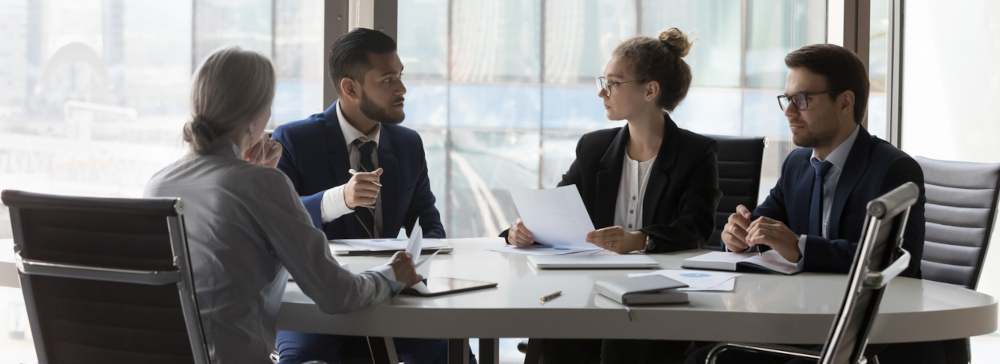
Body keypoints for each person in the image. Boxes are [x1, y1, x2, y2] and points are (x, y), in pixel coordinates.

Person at [144, 46, 422, 364]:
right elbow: (336, 295)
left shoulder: (158, 184)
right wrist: (392, 274)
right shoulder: (260, 185)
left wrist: (258, 175)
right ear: (257, 115)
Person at [685, 43, 941, 364]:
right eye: (787, 99)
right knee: (701, 358)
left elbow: (898, 259)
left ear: (845, 102)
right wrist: (740, 238)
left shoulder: (893, 169)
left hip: (872, 338)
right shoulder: (797, 163)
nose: (790, 111)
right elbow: (761, 229)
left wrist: (801, 247)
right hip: (804, 326)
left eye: (802, 100)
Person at [504, 28, 721, 364]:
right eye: (602, 81)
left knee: (627, 347)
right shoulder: (594, 147)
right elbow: (559, 208)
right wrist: (523, 229)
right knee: (558, 336)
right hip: (592, 286)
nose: (602, 93)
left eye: (613, 83)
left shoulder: (696, 152)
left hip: (660, 294)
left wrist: (638, 240)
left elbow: (696, 227)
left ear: (650, 90)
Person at [271, 28, 467, 364]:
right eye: (388, 79)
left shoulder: (407, 145)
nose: (402, 89)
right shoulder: (294, 140)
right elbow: (277, 223)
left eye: (400, 76)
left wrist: (414, 267)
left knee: (452, 350)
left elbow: (430, 226)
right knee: (305, 356)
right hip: (316, 296)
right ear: (350, 87)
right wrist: (339, 200)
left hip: (389, 291)